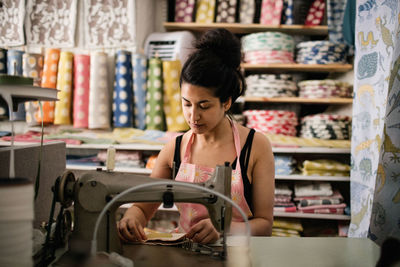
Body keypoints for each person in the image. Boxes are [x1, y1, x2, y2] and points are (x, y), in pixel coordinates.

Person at [118, 28, 275, 245]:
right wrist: (132, 216)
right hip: (187, 253)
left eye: (204, 105)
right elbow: (144, 207)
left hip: (238, 253)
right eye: (186, 103)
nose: (193, 116)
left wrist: (224, 229)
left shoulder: (255, 146)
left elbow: (265, 225)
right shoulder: (175, 148)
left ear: (226, 102)